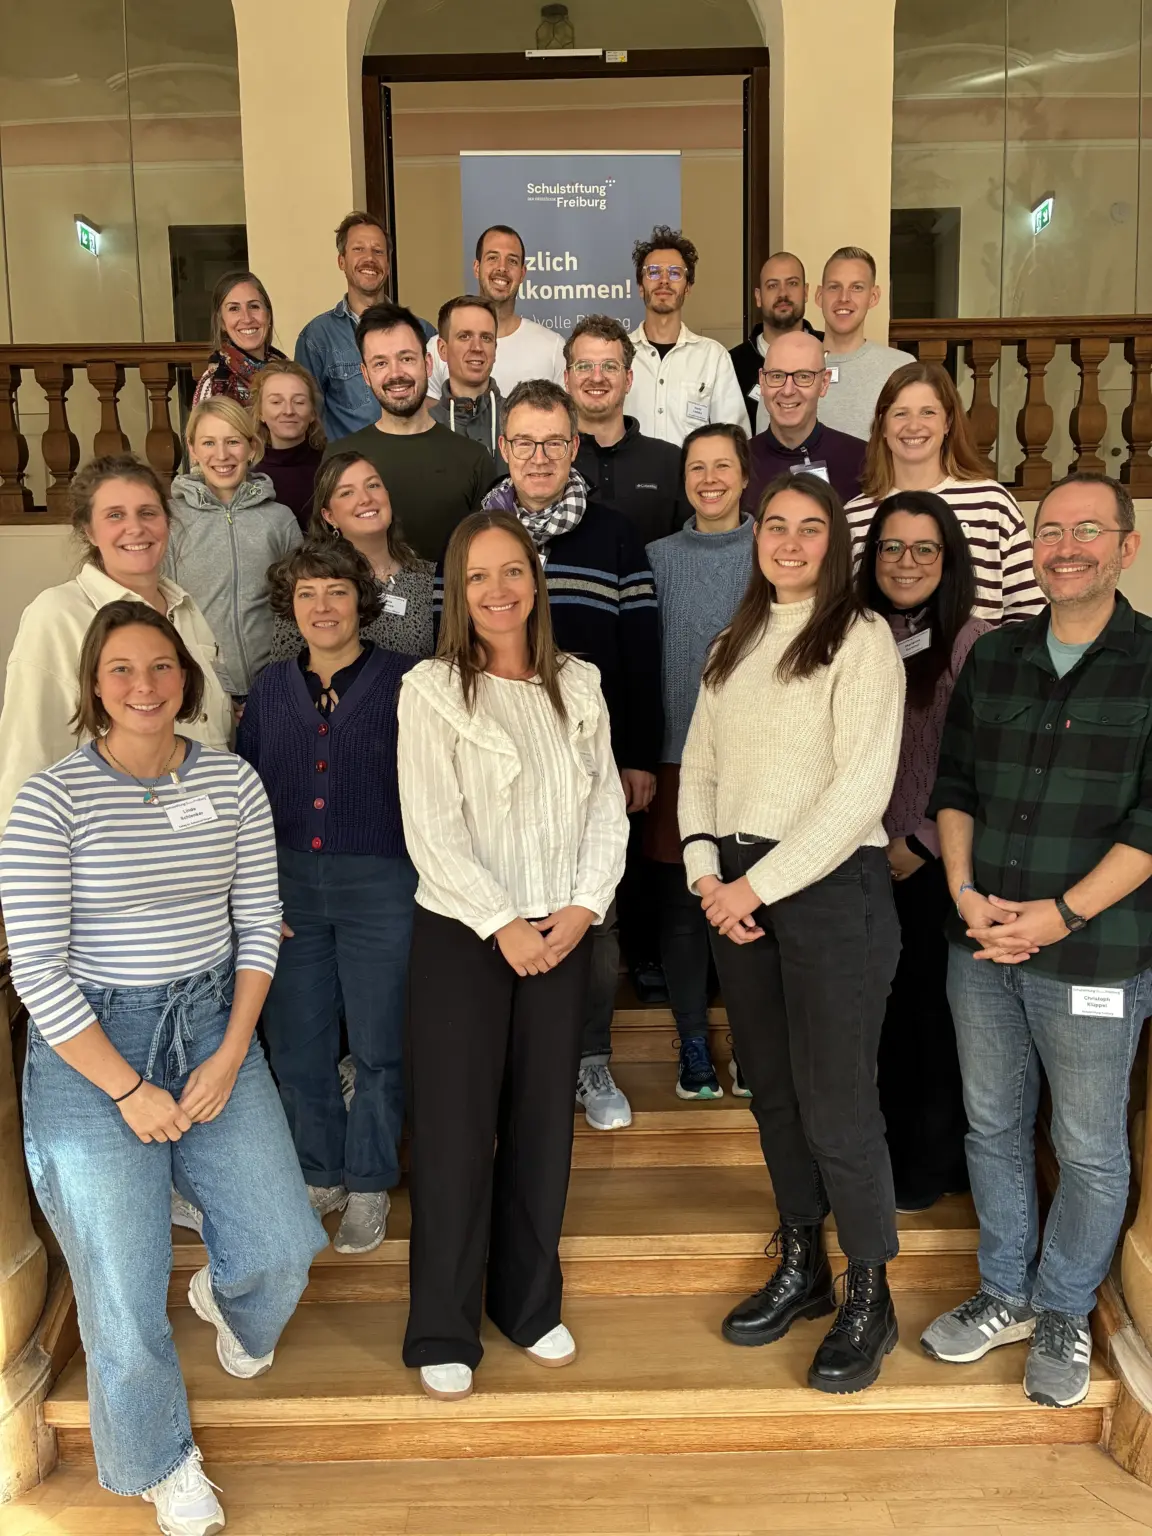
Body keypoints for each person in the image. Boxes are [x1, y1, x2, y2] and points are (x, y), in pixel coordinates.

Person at [0, 601, 326, 1535]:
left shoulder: (232, 783)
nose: (144, 687)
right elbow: (40, 971)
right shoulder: (50, 799)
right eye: (121, 671)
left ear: (185, 677)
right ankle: (158, 1459)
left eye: (160, 667)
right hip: (90, 1050)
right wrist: (128, 1090)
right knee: (120, 1278)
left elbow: (260, 922)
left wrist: (230, 1054)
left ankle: (224, 1301)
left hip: (213, 1019)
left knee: (279, 1246)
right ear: (94, 688)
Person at [921, 471, 1152, 1410]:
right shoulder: (997, 655)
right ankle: (1005, 1292)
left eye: (1086, 530)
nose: (1065, 547)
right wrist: (965, 892)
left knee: (1090, 1147)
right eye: (1050, 530)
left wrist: (1061, 914)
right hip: (980, 942)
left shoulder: (1150, 661)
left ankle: (1063, 1308)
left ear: (1124, 548)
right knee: (992, 1127)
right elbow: (955, 788)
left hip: (1093, 953)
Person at [679, 471, 905, 1394]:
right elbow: (699, 766)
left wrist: (754, 888)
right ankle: (804, 1263)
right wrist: (706, 876)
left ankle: (870, 1293)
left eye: (812, 529)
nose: (791, 542)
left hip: (828, 892)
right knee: (772, 1092)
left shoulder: (859, 639)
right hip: (737, 890)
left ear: (833, 544)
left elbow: (860, 791)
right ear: (756, 536)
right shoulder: (731, 642)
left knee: (837, 1102)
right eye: (777, 526)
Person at [398, 510, 628, 1402]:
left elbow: (607, 806)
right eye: (479, 577)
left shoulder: (580, 682)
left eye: (514, 572)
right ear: (457, 592)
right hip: (465, 937)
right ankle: (443, 1326)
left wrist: (579, 909)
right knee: (456, 1135)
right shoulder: (431, 690)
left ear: (536, 580)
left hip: (563, 932)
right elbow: (434, 829)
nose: (500, 591)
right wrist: (505, 925)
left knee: (541, 1127)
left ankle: (527, 1304)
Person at [481, 380, 661, 1133]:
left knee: (596, 915)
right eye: (524, 442)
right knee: (501, 911)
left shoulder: (616, 536)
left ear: (575, 447)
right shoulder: (477, 536)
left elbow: (643, 652)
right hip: (496, 768)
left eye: (554, 443)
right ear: (504, 448)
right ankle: (514, 1061)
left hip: (592, 766)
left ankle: (588, 1057)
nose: (539, 457)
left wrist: (640, 755)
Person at [238, 540, 417, 1257]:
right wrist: (250, 897)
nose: (322, 606)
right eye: (308, 594)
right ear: (292, 606)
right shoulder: (269, 688)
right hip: (286, 891)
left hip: (382, 883)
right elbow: (245, 800)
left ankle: (371, 1179)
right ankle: (321, 1171)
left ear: (360, 602)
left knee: (378, 1043)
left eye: (336, 592)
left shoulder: (409, 682)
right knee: (299, 1043)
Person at [856, 490, 990, 1212]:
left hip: (935, 867)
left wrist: (922, 841)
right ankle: (892, 1155)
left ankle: (925, 1169)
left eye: (923, 549)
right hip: (863, 863)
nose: (904, 563)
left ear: (949, 560)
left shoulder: (972, 643)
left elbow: (982, 767)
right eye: (890, 547)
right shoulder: (855, 633)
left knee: (929, 1023)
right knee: (883, 1022)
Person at [0, 454, 231, 831]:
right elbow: (27, 753)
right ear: (89, 531)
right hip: (110, 843)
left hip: (201, 837)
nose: (135, 528)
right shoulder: (57, 615)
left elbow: (206, 726)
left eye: (147, 513)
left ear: (167, 523)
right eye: (115, 516)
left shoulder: (186, 610)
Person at [645, 424, 754, 1099]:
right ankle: (692, 1040)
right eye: (697, 468)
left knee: (747, 906)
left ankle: (748, 1039)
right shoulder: (655, 556)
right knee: (684, 911)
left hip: (756, 767)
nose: (709, 479)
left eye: (723, 466)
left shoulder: (775, 551)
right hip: (675, 759)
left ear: (746, 475)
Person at [845, 362, 1046, 624]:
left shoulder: (992, 503)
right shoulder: (854, 515)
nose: (914, 426)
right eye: (900, 414)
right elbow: (843, 614)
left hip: (982, 662)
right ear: (882, 426)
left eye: (927, 412)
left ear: (948, 422)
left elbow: (1028, 607)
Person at [325, 302, 496, 563]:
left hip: (450, 604)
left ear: (427, 364)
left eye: (406, 359)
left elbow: (486, 557)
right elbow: (327, 556)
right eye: (380, 363)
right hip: (365, 603)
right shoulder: (339, 457)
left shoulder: (473, 458)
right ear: (366, 375)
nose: (396, 374)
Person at [166, 398, 302, 701]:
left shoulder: (279, 519)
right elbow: (161, 612)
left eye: (233, 441)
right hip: (201, 692)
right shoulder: (171, 521)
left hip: (274, 688)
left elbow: (299, 606)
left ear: (251, 447)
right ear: (192, 449)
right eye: (209, 443)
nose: (222, 455)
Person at [268, 452, 434, 663]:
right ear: (329, 516)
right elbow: (286, 674)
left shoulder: (431, 579)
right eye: (347, 493)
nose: (365, 499)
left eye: (373, 485)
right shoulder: (307, 583)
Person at [295, 212, 435, 440]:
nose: (369, 258)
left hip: (413, 463)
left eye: (378, 251)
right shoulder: (317, 337)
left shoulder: (424, 332)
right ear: (342, 261)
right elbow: (308, 420)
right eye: (358, 249)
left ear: (388, 266)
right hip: (349, 469)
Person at [567, 314, 688, 546]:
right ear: (566, 379)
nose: (596, 377)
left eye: (610, 366)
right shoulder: (549, 460)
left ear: (629, 380)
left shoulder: (671, 461)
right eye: (584, 366)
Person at [627, 226, 748, 446]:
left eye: (675, 273)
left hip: (693, 480)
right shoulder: (619, 355)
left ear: (688, 287)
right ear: (640, 287)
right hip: (629, 480)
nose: (664, 280)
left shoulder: (713, 357)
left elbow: (734, 440)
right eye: (653, 272)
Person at [427, 224, 566, 398]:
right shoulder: (439, 348)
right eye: (493, 258)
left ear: (522, 273)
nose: (502, 268)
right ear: (477, 268)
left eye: (512, 261)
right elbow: (428, 420)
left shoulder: (553, 348)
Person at [744, 331, 865, 510]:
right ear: (762, 381)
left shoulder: (862, 460)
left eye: (803, 376)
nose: (788, 390)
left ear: (824, 383)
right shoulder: (739, 462)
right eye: (777, 376)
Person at [814, 248, 916, 442]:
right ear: (820, 295)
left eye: (857, 287)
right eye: (834, 287)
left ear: (874, 296)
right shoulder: (792, 368)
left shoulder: (901, 367)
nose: (844, 297)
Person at [729, 251, 824, 433]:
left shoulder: (828, 351)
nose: (783, 293)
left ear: (805, 292)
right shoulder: (732, 363)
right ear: (758, 296)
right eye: (772, 286)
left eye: (792, 284)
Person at [428, 295, 505, 468]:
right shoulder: (424, 427)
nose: (477, 348)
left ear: (495, 349)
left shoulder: (520, 419)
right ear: (442, 349)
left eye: (486, 338)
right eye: (464, 336)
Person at [250, 358, 326, 530]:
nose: (288, 411)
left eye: (299, 402)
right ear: (261, 412)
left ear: (312, 412)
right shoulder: (248, 476)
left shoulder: (331, 466)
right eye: (276, 402)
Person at [192, 270, 286, 408]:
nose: (247, 318)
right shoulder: (214, 383)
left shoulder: (287, 371)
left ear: (268, 315)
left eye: (254, 306)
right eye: (234, 308)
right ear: (222, 323)